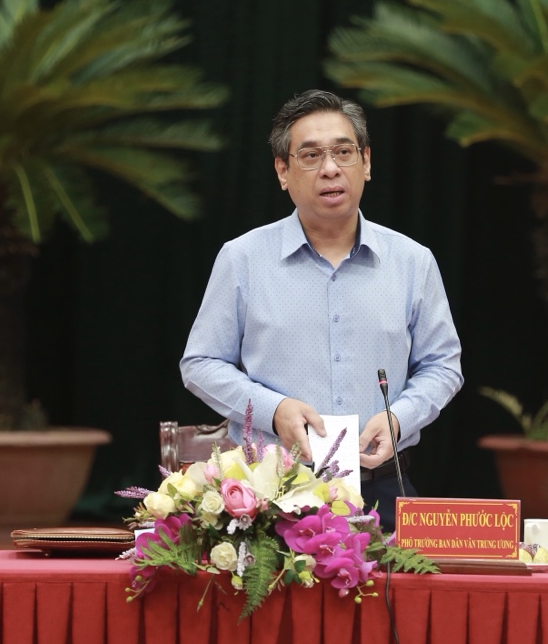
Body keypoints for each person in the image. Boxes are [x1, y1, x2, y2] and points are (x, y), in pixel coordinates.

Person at [180, 89, 463, 527]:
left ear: (366, 162)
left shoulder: (412, 261)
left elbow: (443, 365)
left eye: (343, 152)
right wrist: (274, 410)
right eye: (311, 156)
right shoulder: (243, 258)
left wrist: (399, 419)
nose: (330, 168)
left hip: (383, 489)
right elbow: (200, 363)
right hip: (271, 492)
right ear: (283, 171)